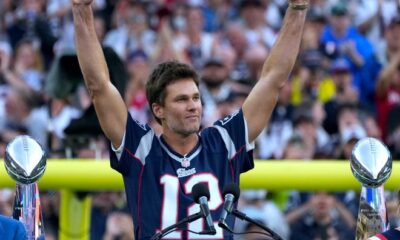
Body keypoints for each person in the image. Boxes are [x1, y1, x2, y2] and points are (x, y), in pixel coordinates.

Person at [71, 0, 308, 239]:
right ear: (158, 109)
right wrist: (82, 10)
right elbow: (98, 86)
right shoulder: (141, 148)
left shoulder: (224, 141)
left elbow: (273, 79)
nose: (193, 106)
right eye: (182, 99)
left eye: (196, 98)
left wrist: (297, 9)